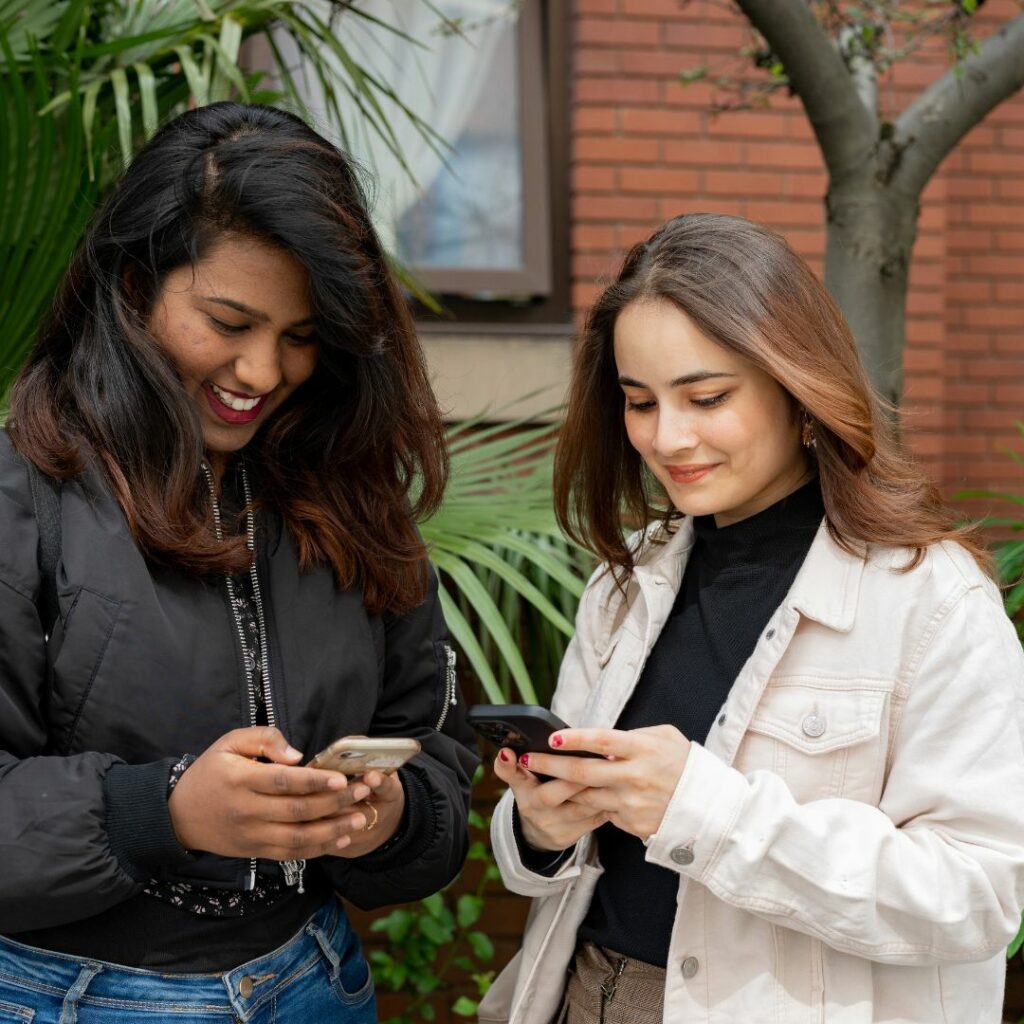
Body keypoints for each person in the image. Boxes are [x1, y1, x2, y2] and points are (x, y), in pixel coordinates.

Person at [479, 213, 1024, 1024]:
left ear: (798, 385)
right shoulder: (626, 581)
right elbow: (554, 866)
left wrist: (705, 809)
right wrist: (539, 825)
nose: (669, 437)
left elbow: (978, 895)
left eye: (707, 397)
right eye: (639, 402)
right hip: (582, 994)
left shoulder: (933, 601)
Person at [0, 102, 478, 1021]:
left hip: (313, 984)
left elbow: (438, 749)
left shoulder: (351, 494)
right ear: (134, 282)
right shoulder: (24, 497)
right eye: (229, 321)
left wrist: (388, 818)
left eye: (301, 336)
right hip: (68, 998)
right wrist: (160, 812)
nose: (262, 372)